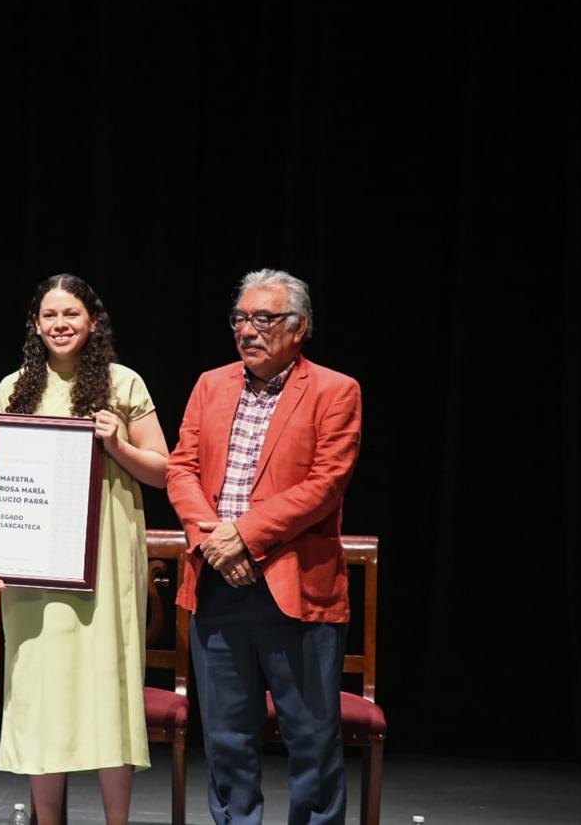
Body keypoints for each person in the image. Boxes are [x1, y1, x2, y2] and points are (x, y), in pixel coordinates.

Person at [166, 268, 362, 825]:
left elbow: (325, 485)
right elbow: (182, 468)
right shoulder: (211, 384)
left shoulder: (335, 390)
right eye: (240, 319)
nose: (247, 330)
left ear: (299, 327)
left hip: (293, 588)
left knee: (311, 740)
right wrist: (212, 541)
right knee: (227, 739)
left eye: (263, 319)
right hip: (216, 583)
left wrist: (244, 537)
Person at [0, 274, 169, 825]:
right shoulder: (13, 388)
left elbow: (164, 471)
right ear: (35, 326)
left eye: (71, 314)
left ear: (92, 322)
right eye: (49, 315)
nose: (60, 325)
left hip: (106, 559)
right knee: (42, 689)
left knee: (107, 685)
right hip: (35, 570)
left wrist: (118, 444)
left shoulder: (123, 383)